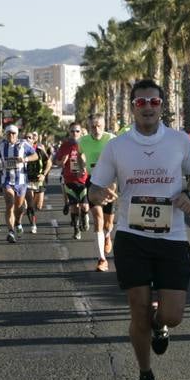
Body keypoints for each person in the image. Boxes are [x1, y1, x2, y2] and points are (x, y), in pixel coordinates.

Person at [88, 78, 190, 380]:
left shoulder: (179, 141)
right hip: (132, 236)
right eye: (141, 103)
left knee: (173, 314)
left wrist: (189, 194)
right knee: (137, 309)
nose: (148, 108)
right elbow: (95, 189)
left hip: (172, 237)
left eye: (154, 102)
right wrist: (98, 195)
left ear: (162, 106)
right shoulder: (117, 146)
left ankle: (160, 323)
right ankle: (145, 375)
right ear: (133, 107)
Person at [79, 114, 117, 271]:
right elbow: (79, 155)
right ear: (89, 127)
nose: (96, 129)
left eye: (99, 126)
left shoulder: (112, 139)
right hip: (92, 181)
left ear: (104, 125)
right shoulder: (83, 141)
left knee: (108, 223)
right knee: (98, 219)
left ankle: (107, 235)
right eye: (93, 126)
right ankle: (102, 259)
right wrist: (81, 167)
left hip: (109, 182)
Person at [0, 123, 34, 244]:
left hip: (21, 181)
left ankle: (18, 222)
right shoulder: (1, 145)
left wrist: (25, 159)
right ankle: (11, 232)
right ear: (5, 134)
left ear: (17, 134)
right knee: (9, 204)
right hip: (7, 180)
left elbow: (35, 155)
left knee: (19, 208)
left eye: (13, 133)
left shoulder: (23, 144)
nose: (11, 135)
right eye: (9, 133)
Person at [54, 122, 91, 239]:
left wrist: (85, 165)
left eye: (77, 131)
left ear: (81, 132)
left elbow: (93, 158)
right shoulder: (64, 146)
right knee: (74, 206)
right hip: (69, 180)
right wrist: (62, 161)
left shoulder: (86, 143)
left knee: (84, 206)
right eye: (72, 131)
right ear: (69, 132)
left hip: (83, 180)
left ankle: (84, 216)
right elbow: (57, 162)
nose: (75, 133)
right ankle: (76, 230)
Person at [23, 129, 52, 234]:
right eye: (26, 137)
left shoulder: (39, 150)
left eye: (30, 137)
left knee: (38, 206)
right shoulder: (20, 151)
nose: (28, 139)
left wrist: (43, 174)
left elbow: (49, 163)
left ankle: (31, 213)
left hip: (39, 181)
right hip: (27, 181)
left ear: (33, 140)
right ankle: (33, 224)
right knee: (30, 204)